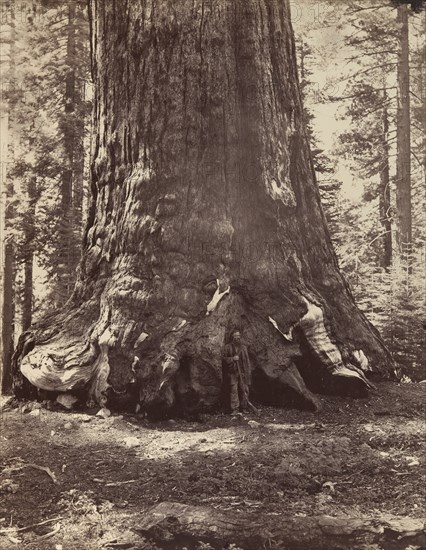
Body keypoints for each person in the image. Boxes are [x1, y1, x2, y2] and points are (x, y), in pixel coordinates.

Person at [222, 330, 252, 414]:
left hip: (243, 372)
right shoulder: (227, 347)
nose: (237, 337)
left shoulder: (243, 348)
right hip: (233, 372)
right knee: (234, 390)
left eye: (238, 335)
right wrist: (232, 359)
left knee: (245, 389)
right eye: (235, 336)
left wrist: (247, 372)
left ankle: (244, 407)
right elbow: (223, 359)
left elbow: (247, 361)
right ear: (232, 337)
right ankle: (235, 409)